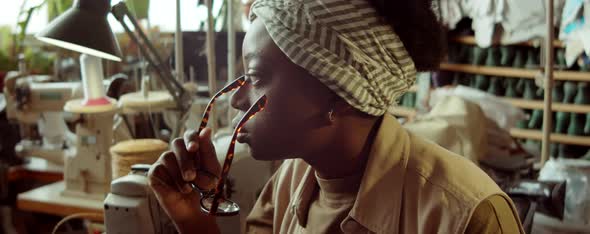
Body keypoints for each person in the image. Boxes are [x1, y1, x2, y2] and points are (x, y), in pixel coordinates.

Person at [147, 0, 525, 233]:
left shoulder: (466, 217)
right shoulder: (291, 183)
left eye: (257, 77)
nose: (237, 100)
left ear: (341, 96)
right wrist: (192, 218)